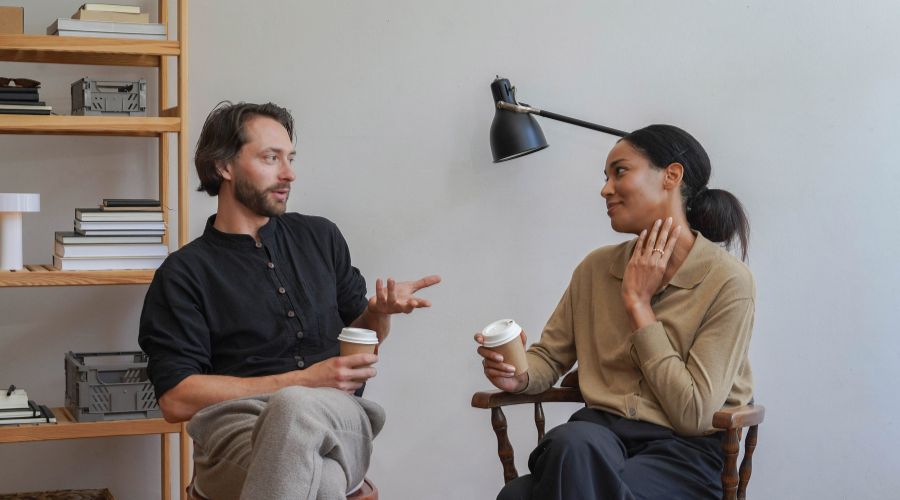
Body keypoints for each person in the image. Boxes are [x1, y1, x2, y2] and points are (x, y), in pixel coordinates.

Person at [139, 101, 440, 500]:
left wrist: (377, 314)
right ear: (223, 167)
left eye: (290, 158)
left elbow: (361, 347)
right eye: (270, 158)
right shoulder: (184, 273)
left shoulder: (322, 237)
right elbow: (176, 399)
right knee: (323, 477)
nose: (289, 173)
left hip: (340, 420)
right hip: (236, 436)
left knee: (297, 409)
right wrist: (300, 382)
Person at [476, 124, 754, 500]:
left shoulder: (726, 280)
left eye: (619, 172)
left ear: (671, 176)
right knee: (574, 444)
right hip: (599, 436)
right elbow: (549, 357)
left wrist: (638, 304)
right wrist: (518, 375)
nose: (605, 189)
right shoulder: (594, 269)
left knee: (520, 496)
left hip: (682, 452)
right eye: (605, 177)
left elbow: (693, 413)